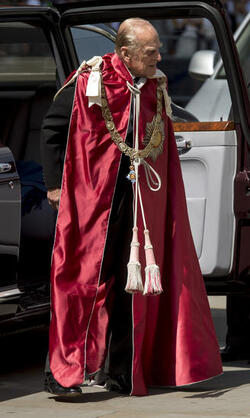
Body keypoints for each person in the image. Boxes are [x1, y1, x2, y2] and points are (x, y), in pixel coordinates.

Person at [41, 18, 222, 397]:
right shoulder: (90, 80)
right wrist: (56, 186)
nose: (160, 56)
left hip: (137, 204)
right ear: (125, 53)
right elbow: (53, 130)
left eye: (157, 48)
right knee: (81, 283)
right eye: (150, 51)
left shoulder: (154, 86)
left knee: (132, 287)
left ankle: (122, 370)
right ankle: (65, 373)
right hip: (91, 202)